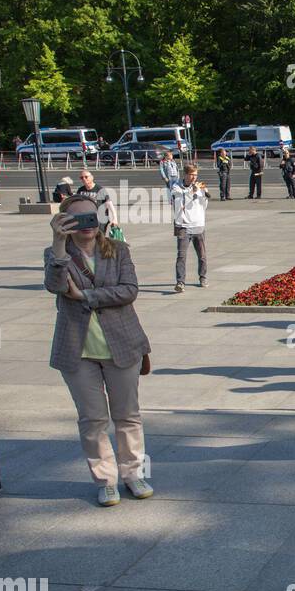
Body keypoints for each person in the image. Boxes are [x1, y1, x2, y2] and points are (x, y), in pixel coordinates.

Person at [43, 192, 152, 506]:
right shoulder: (55, 252)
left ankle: (133, 474)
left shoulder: (118, 250)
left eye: (91, 216)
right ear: (65, 222)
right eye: (76, 219)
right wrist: (58, 242)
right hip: (77, 351)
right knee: (92, 420)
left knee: (127, 415)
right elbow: (54, 284)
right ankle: (106, 480)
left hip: (122, 345)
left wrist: (85, 296)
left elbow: (129, 290)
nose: (86, 224)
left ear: (100, 218)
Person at [170, 163, 209, 293]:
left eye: (196, 175)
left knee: (202, 255)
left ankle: (203, 277)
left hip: (198, 225)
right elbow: (183, 201)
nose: (194, 177)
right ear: (185, 174)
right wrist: (193, 191)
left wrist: (204, 193)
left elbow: (204, 205)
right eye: (192, 174)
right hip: (183, 226)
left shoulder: (199, 187)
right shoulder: (176, 188)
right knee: (181, 256)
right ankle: (180, 282)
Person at [75, 170, 123, 242]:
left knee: (99, 238)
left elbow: (109, 205)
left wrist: (115, 218)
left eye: (86, 177)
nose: (84, 179)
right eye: (82, 178)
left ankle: (100, 251)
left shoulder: (100, 190)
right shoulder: (80, 190)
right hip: (87, 218)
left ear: (92, 177)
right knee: (88, 239)